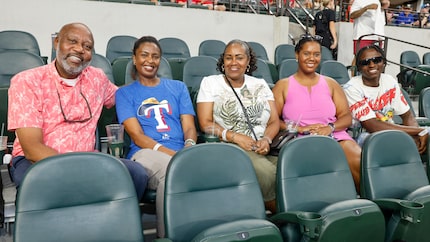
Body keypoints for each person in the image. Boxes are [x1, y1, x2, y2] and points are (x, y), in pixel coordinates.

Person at [7, 23, 148, 198]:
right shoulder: (27, 81)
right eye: (72, 41)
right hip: (37, 161)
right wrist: (79, 171)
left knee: (136, 174)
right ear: (56, 42)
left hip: (88, 158)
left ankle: (113, 222)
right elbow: (32, 148)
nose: (80, 49)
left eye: (87, 46)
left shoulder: (97, 78)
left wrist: (158, 88)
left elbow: (125, 98)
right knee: (46, 187)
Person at [115, 36, 197, 238]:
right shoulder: (124, 93)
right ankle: (167, 237)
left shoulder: (178, 87)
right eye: (144, 55)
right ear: (134, 59)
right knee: (172, 174)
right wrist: (175, 156)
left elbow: (189, 126)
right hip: (145, 154)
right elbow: (137, 136)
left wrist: (189, 145)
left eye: (155, 56)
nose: (150, 61)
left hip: (180, 152)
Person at [196, 39, 280, 213]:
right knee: (267, 173)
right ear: (223, 61)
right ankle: (285, 215)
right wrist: (234, 136)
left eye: (239, 58)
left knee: (289, 167)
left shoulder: (261, 84)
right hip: (229, 146)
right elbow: (205, 123)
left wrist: (267, 139)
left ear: (248, 61)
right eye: (229, 58)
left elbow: (274, 121)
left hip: (262, 146)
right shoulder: (210, 83)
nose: (233, 62)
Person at [272, 35, 362, 191]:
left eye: (316, 54)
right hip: (299, 139)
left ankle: (369, 205)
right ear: (297, 55)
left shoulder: (331, 83)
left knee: (358, 159)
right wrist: (298, 128)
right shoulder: (283, 85)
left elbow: (346, 117)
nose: (311, 58)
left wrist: (330, 128)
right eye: (306, 53)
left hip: (334, 136)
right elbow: (273, 121)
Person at [343, 45, 429, 154]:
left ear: (384, 62)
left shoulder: (389, 81)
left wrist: (417, 136)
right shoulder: (352, 88)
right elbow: (372, 125)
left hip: (389, 133)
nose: (371, 65)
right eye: (365, 62)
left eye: (377, 60)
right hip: (361, 137)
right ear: (359, 67)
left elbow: (407, 115)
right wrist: (418, 131)